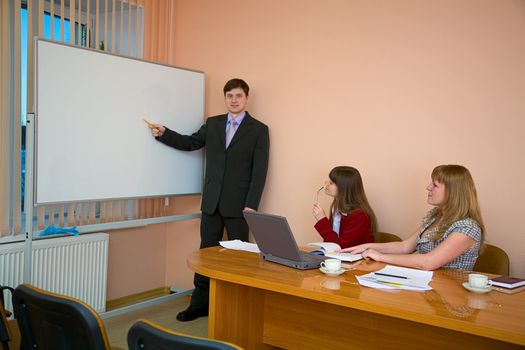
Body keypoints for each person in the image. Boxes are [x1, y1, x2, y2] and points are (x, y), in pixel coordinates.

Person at [148, 78, 269, 321]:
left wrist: (251, 204)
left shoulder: (259, 130)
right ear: (224, 98)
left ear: (246, 98)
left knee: (239, 258)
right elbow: (191, 142)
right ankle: (199, 305)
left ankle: (237, 308)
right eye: (229, 96)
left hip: (240, 205)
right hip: (212, 202)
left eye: (238, 96)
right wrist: (164, 134)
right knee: (206, 254)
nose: (233, 100)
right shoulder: (213, 124)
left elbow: (260, 170)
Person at [340, 164, 485, 271]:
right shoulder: (435, 216)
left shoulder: (467, 227)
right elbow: (405, 247)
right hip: (427, 287)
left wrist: (380, 257)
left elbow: (429, 262)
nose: (428, 187)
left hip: (451, 297)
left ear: (453, 192)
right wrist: (366, 247)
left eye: (435, 185)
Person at [312, 166, 377, 248]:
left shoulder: (360, 216)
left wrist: (322, 220)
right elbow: (332, 240)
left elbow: (339, 246)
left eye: (331, 183)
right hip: (339, 257)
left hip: (357, 259)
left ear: (344, 188)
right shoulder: (336, 208)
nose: (326, 184)